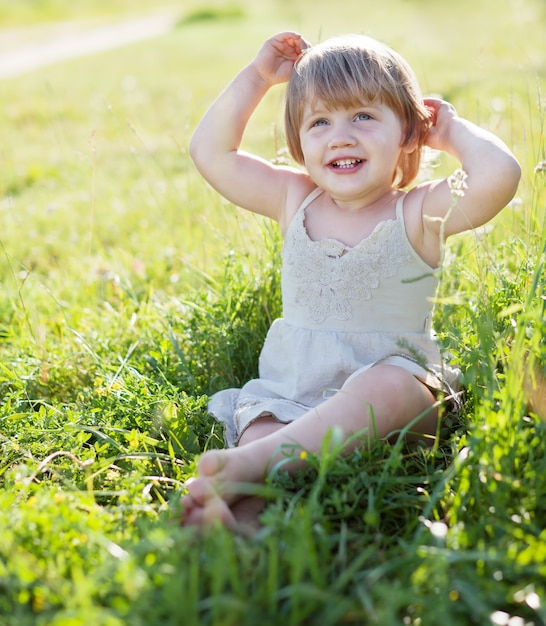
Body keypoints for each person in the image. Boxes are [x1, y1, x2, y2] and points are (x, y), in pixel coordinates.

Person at [181, 31, 521, 532]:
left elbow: (500, 174)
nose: (341, 136)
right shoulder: (294, 200)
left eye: (363, 116)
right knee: (265, 426)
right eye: (320, 122)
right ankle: (234, 521)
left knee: (390, 386)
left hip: (390, 410)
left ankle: (251, 468)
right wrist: (257, 79)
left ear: (408, 132)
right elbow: (210, 152)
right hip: (295, 391)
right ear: (299, 147)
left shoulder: (417, 211)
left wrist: (450, 130)